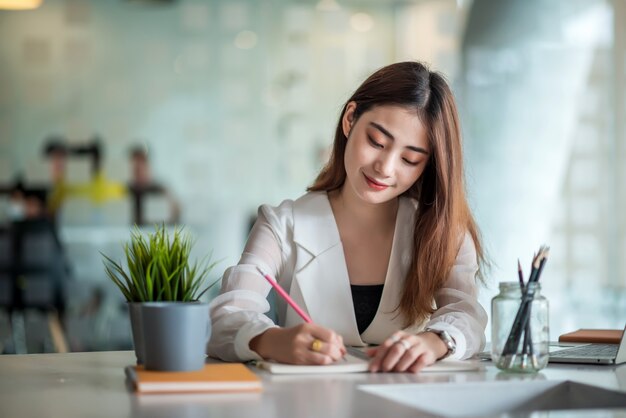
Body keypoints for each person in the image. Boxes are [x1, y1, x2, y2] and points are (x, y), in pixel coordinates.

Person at [207, 61, 488, 373]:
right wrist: (271, 340)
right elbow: (227, 315)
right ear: (350, 118)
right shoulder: (281, 224)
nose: (385, 167)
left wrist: (434, 342)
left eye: (410, 159)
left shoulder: (442, 229)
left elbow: (467, 314)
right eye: (377, 142)